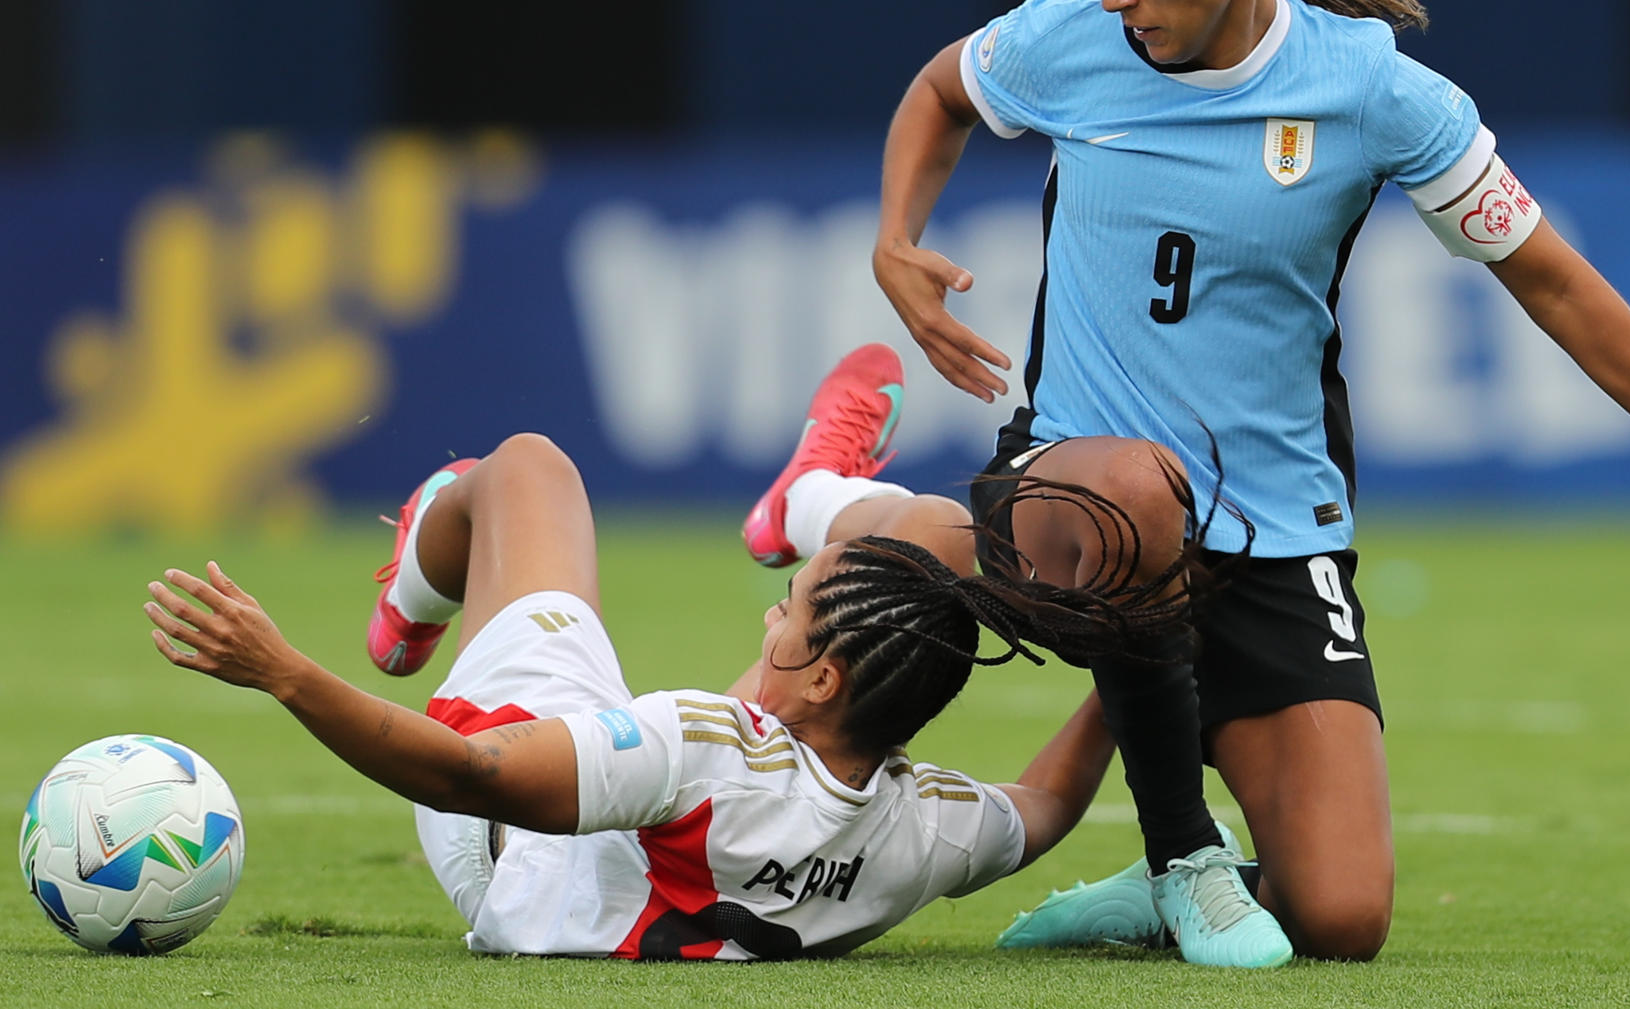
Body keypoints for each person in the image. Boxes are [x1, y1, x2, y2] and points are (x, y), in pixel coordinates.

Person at [868, 0, 1630, 968]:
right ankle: (1185, 853)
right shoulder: (1065, 43)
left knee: (1342, 918)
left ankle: (1162, 807)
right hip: (1069, 494)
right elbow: (939, 92)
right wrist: (897, 240)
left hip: (1275, 526)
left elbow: (1552, 277)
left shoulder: (1373, 91)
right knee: (1135, 488)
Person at [144, 344, 1199, 961]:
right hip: (684, 837)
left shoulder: (692, 746)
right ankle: (810, 500)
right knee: (920, 543)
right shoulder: (919, 827)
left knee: (527, 472)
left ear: (822, 672)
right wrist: (1141, 668)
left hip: (515, 836)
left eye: (788, 608)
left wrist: (281, 670)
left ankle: (421, 572)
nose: (768, 622)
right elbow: (1045, 807)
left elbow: (466, 775)